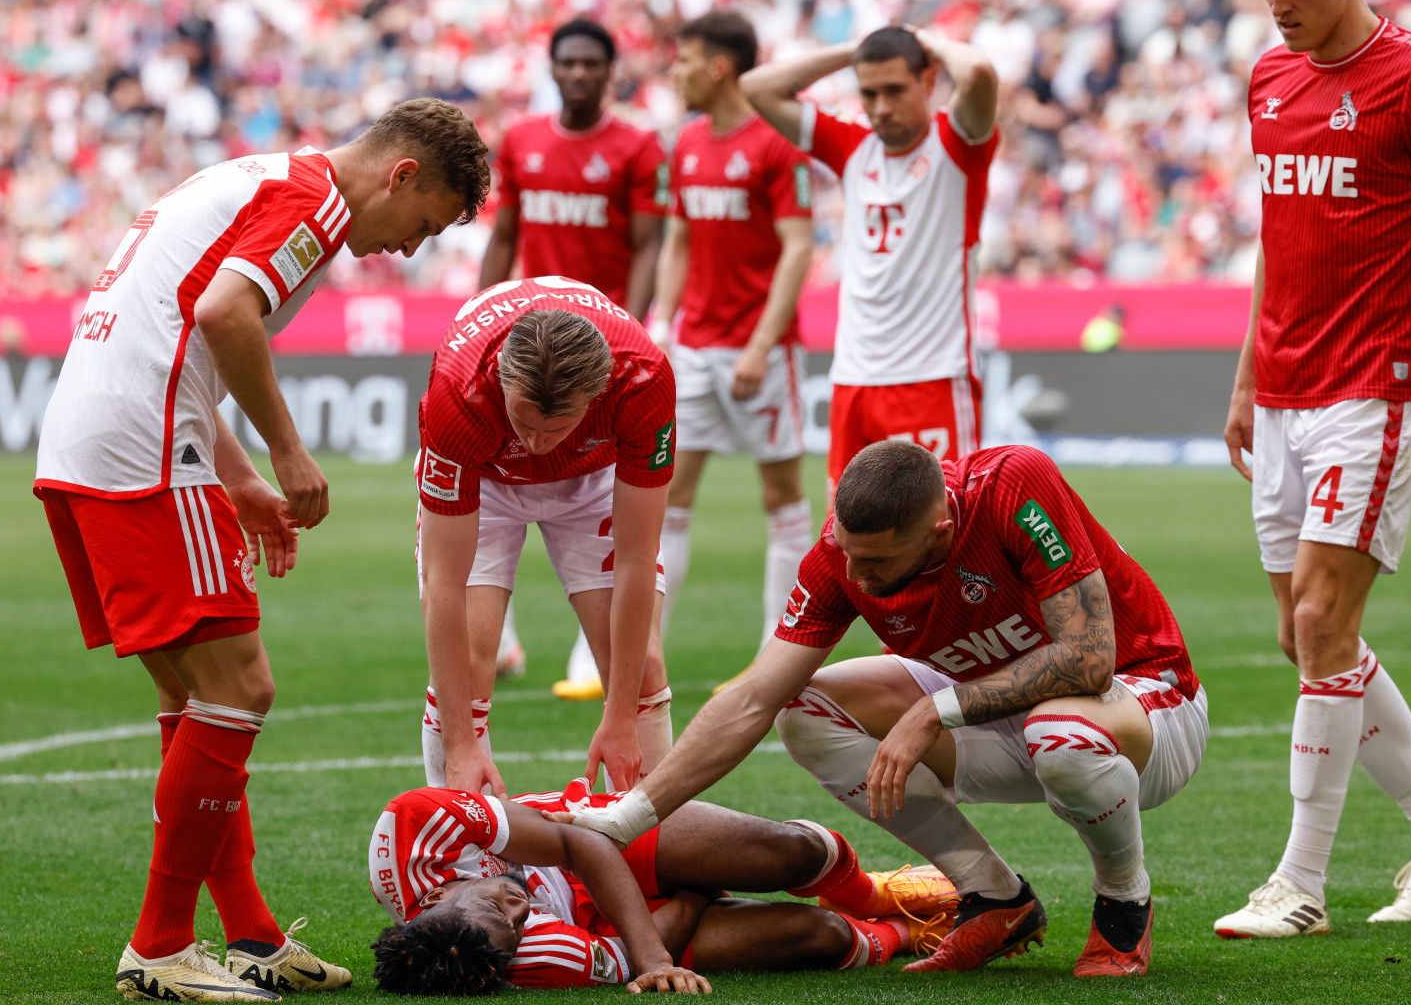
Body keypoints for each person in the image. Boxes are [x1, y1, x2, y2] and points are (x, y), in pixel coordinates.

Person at [34, 98, 491, 1001]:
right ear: (402, 175)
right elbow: (224, 313)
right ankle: (160, 945)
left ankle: (249, 936)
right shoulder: (316, 202)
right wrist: (284, 449)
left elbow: (177, 324)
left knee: (196, 697)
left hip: (92, 438)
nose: (412, 246)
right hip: (145, 450)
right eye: (424, 223)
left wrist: (237, 475)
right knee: (240, 689)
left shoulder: (259, 175)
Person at [549, 440, 1210, 978]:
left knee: (1059, 731)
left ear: (940, 530)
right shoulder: (843, 557)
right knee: (803, 707)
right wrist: (630, 816)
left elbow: (1090, 656)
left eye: (880, 562)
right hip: (1004, 714)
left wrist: (935, 710)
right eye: (848, 553)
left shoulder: (1014, 484)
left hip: (1145, 707)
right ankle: (994, 898)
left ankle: (1124, 901)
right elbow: (753, 698)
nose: (858, 579)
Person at [1215, 0, 1411, 939]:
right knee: (1304, 636)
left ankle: (1298, 885)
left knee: (1326, 624)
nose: (1277, 4)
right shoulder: (1269, 80)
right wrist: (1249, 375)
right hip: (1286, 391)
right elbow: (1275, 235)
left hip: (1377, 389)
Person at [415, 277, 676, 799]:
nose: (535, 446)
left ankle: (652, 852)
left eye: (554, 429)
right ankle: (466, 851)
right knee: (467, 665)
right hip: (486, 476)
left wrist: (620, 717)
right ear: (500, 383)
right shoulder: (458, 391)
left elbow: (636, 559)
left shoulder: (643, 380)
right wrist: (462, 748)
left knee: (643, 668)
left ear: (598, 394)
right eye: (523, 422)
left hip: (593, 475)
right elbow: (443, 585)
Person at [476, 18, 669, 697]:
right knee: (491, 482)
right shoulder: (524, 141)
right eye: (569, 64)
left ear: (611, 71)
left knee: (607, 499)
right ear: (552, 69)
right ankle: (497, 643)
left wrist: (631, 335)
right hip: (529, 347)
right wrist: (479, 317)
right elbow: (504, 235)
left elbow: (649, 245)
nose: (580, 74)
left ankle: (601, 659)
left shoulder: (638, 146)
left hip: (600, 353)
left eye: (593, 64)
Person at [367, 780, 958, 993]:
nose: (520, 909)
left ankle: (875, 894)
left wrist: (654, 956)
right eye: (516, 927)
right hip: (606, 920)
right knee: (820, 936)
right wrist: (697, 894)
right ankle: (909, 931)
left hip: (589, 837)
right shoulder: (520, 958)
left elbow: (581, 844)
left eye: (498, 903)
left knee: (790, 851)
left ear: (439, 896)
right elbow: (624, 960)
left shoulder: (415, 828)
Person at [741, 25, 999, 494]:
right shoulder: (852, 144)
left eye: (896, 90)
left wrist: (928, 41)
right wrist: (852, 51)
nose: (882, 107)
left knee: (944, 533)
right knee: (845, 538)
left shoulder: (957, 142)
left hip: (932, 377)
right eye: (870, 93)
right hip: (853, 380)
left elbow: (979, 71)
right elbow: (757, 88)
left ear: (929, 80)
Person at [650, 10, 817, 663]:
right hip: (692, 347)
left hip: (760, 353)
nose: (675, 71)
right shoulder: (687, 142)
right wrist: (661, 327)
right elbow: (679, 241)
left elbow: (798, 250)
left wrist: (760, 344)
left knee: (780, 497)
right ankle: (645, 649)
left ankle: (779, 653)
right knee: (669, 495)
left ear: (719, 67)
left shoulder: (776, 144)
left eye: (684, 59)